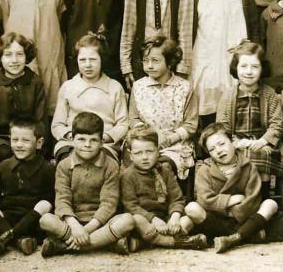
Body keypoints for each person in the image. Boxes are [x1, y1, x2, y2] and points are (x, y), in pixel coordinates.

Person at [39, 112, 134, 257]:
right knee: (45, 220)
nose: (87, 145)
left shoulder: (111, 165)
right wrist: (75, 226)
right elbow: (62, 199)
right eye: (81, 139)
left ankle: (65, 246)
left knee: (127, 221)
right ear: (72, 140)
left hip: (100, 223)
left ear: (102, 142)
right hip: (72, 223)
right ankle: (105, 243)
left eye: (93, 140)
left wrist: (86, 230)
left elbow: (109, 203)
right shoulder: (64, 165)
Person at [185, 123, 283, 253]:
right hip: (218, 219)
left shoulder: (248, 166)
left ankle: (232, 238)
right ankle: (246, 235)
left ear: (233, 142)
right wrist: (229, 201)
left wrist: (233, 212)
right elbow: (205, 200)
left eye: (222, 144)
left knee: (270, 204)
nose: (218, 150)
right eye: (212, 149)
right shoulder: (204, 170)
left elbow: (253, 198)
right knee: (191, 209)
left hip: (244, 216)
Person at [191, 0, 260, 128]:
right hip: (206, 59)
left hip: (235, 61)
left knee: (233, 105)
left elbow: (254, 29)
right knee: (206, 106)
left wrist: (250, 49)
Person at [215, 40, 283, 199]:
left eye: (255, 67)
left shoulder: (269, 94)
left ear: (262, 69)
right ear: (236, 67)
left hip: (262, 143)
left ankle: (263, 200)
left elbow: (277, 124)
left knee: (261, 154)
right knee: (235, 155)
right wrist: (233, 142)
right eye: (244, 66)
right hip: (236, 142)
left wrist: (262, 141)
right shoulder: (228, 96)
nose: (249, 72)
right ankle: (242, 200)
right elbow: (222, 126)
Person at [120, 124, 209, 251]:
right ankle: (172, 242)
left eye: (149, 151)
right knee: (135, 219)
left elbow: (176, 198)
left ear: (157, 150)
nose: (144, 157)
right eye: (138, 153)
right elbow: (131, 206)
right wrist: (153, 219)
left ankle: (147, 243)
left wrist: (174, 217)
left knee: (187, 221)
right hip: (146, 220)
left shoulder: (165, 170)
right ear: (130, 154)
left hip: (166, 219)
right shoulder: (128, 175)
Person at [128, 36, 197, 180]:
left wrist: (169, 139)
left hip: (174, 144)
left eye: (155, 60)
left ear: (170, 62)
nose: (149, 66)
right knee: (134, 167)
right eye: (146, 61)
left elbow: (191, 124)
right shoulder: (138, 86)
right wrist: (149, 136)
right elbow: (133, 118)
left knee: (162, 167)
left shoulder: (184, 87)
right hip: (144, 141)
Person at [52, 33, 128, 161]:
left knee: (104, 163)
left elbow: (123, 123)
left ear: (102, 59)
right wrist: (71, 135)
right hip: (72, 142)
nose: (87, 65)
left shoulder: (114, 87)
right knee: (67, 160)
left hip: (104, 143)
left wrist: (107, 137)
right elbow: (57, 124)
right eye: (82, 60)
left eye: (93, 60)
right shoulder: (68, 87)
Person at [0, 33, 46, 166]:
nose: (14, 60)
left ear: (26, 57)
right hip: (1, 139)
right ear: (0, 58)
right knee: (5, 153)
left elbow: (41, 120)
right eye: (8, 55)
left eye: (19, 54)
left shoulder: (34, 82)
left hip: (28, 139)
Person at [0, 119, 55, 256]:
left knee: (45, 204)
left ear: (39, 143)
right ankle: (19, 241)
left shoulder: (47, 169)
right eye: (15, 140)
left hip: (32, 221)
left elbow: (52, 199)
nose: (19, 145)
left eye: (25, 141)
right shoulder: (4, 166)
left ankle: (8, 238)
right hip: (7, 218)